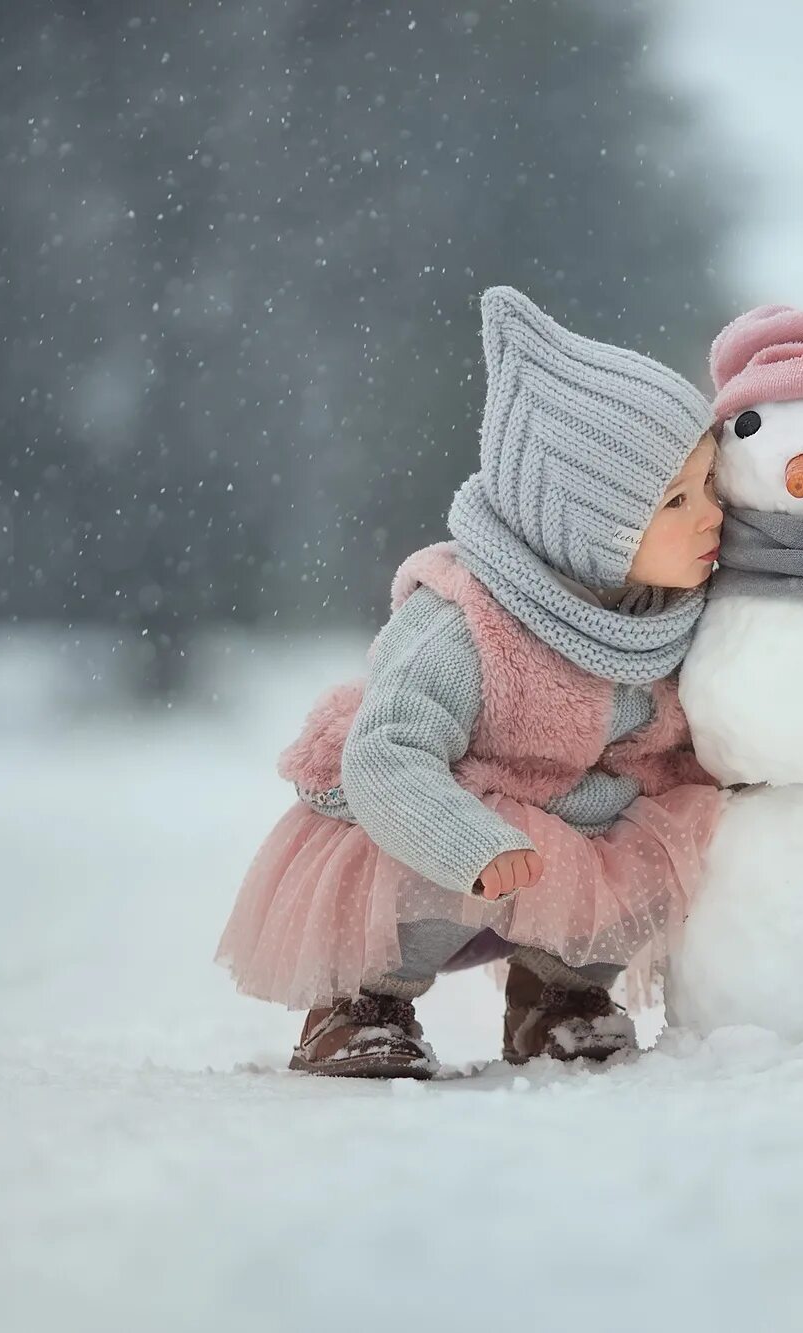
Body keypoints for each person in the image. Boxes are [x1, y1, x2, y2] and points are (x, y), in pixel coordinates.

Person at [215, 287, 725, 1078]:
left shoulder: (659, 620)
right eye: (677, 500)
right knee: (408, 885)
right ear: (585, 523)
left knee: (652, 856)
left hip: (561, 825)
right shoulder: (465, 623)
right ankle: (361, 1004)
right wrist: (468, 842)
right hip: (419, 809)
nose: (711, 516)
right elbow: (387, 751)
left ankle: (558, 997)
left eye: (713, 486)